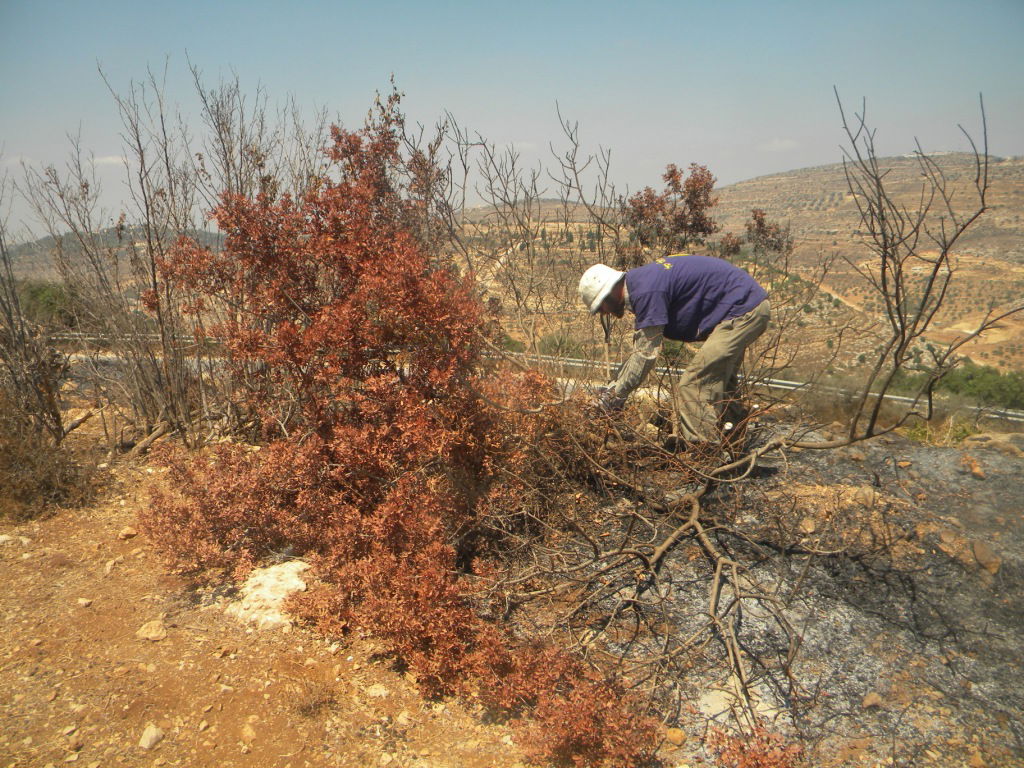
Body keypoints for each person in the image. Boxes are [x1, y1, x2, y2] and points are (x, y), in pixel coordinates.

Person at [578, 253, 769, 445]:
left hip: (743, 310)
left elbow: (645, 355)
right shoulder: (642, 283)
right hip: (747, 306)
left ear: (609, 293)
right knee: (722, 385)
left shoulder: (645, 291)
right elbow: (640, 350)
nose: (603, 313)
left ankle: (704, 458)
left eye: (600, 307)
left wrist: (616, 395)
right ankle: (734, 448)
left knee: (693, 384)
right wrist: (614, 387)